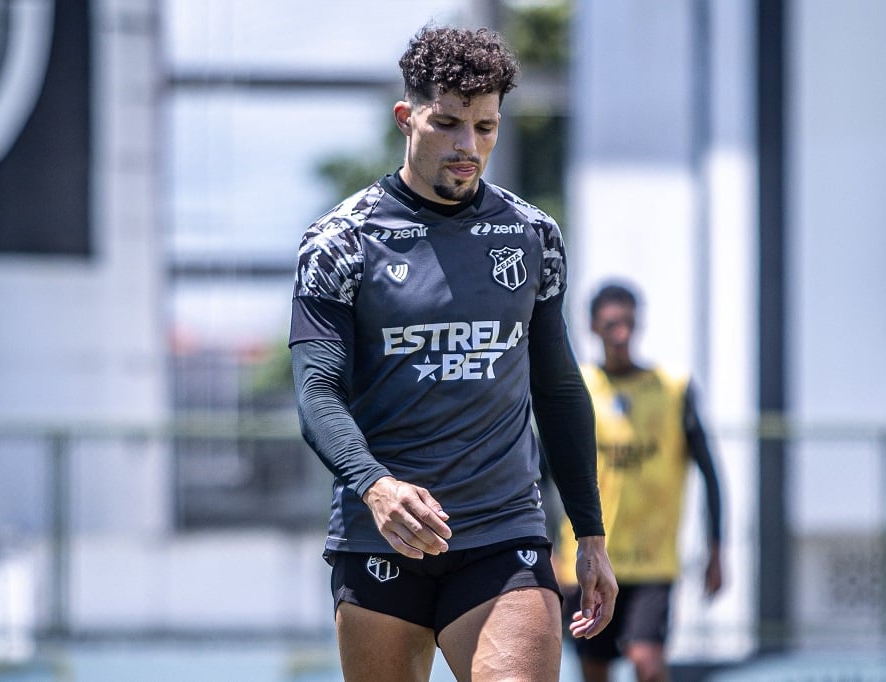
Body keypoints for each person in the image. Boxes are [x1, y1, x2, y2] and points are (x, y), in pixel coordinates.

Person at [288, 25, 617, 682]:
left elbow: (557, 388)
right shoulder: (340, 240)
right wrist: (376, 486)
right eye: (447, 123)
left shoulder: (532, 235)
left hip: (503, 533)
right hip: (381, 534)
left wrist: (590, 534)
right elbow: (316, 391)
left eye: (485, 127)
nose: (469, 145)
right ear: (405, 118)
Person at [555, 283, 724, 682]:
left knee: (647, 662)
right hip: (590, 558)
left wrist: (717, 548)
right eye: (611, 325)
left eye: (629, 323)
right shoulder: (577, 388)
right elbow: (544, 474)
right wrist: (549, 548)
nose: (621, 334)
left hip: (653, 560)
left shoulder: (673, 388)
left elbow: (710, 471)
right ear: (593, 327)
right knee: (595, 668)